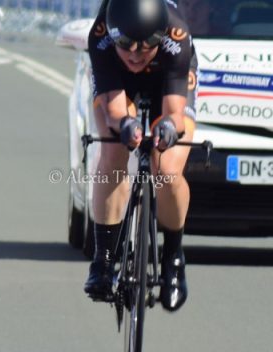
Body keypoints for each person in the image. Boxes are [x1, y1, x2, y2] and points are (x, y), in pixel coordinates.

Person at [83, 0, 198, 312]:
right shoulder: (102, 35)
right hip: (120, 88)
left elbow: (174, 112)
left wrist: (169, 131)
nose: (134, 54)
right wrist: (126, 125)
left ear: (158, 37)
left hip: (168, 81)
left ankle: (174, 258)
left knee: (167, 169)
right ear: (115, 37)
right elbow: (115, 109)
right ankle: (103, 261)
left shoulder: (176, 34)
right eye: (126, 46)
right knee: (112, 150)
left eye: (145, 47)